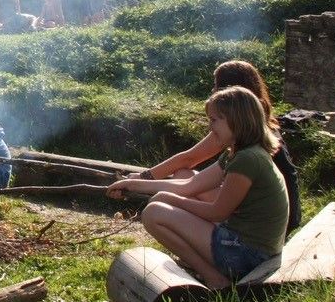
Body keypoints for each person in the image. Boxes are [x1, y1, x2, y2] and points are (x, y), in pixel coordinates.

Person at [108, 86, 289, 289]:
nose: (210, 128)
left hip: (249, 255)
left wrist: (169, 199)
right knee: (178, 187)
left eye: (214, 120)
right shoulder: (239, 153)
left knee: (153, 213)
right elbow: (191, 184)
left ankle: (215, 279)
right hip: (251, 246)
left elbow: (218, 212)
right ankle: (211, 269)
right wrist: (134, 184)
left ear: (237, 120)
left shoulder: (247, 159)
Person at [120, 59, 302, 232]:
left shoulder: (241, 133)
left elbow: (189, 158)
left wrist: (146, 177)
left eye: (216, 85)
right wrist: (141, 182)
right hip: (283, 213)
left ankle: (208, 237)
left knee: (183, 178)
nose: (213, 89)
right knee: (185, 176)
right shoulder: (255, 124)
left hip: (268, 221)